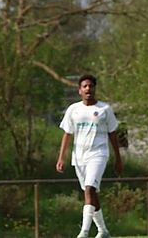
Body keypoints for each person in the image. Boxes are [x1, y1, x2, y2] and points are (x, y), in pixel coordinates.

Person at [56, 74, 123, 238]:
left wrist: (118, 158)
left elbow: (112, 134)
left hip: (98, 154)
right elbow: (67, 134)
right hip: (79, 157)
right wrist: (61, 157)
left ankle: (84, 232)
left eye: (91, 86)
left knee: (89, 189)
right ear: (79, 90)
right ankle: (103, 230)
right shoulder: (73, 109)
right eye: (85, 86)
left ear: (94, 89)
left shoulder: (104, 109)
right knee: (91, 194)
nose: (88, 89)